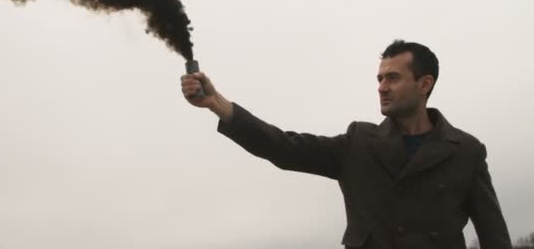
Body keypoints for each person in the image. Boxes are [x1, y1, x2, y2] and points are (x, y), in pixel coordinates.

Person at [180, 40, 512, 249]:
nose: (381, 87)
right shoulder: (358, 143)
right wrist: (218, 104)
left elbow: (494, 235)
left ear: (424, 84)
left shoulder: (466, 151)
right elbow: (281, 147)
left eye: (393, 78)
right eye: (379, 78)